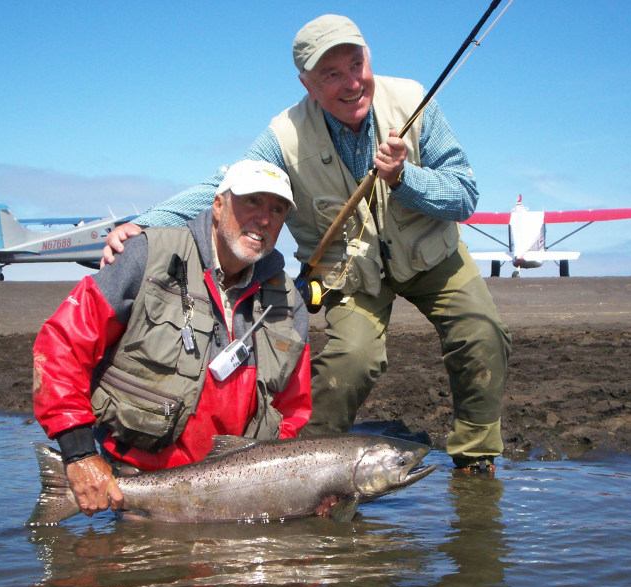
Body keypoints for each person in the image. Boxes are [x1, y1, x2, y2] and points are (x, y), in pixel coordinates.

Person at [102, 15, 511, 472]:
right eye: (331, 75)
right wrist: (145, 224)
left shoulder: (415, 100)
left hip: (435, 255)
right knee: (349, 361)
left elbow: (465, 195)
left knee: (480, 333)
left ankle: (476, 460)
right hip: (353, 275)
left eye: (357, 65)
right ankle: (303, 473)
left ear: (369, 58)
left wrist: (404, 177)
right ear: (307, 84)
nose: (352, 83)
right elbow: (225, 185)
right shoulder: (284, 135)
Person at [33, 159, 312, 517]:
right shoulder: (148, 254)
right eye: (252, 202)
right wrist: (78, 453)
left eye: (277, 210)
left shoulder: (288, 301)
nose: (264, 219)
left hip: (239, 497)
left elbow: (293, 409)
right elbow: (61, 346)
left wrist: (291, 485)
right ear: (218, 205)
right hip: (139, 488)